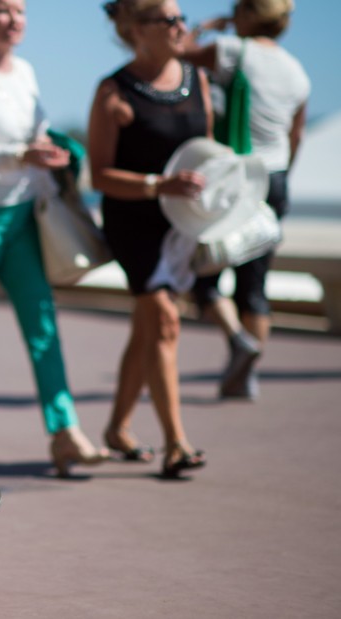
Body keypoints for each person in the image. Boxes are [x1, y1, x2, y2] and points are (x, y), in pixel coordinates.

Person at [0, 0, 108, 478]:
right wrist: (19, 154)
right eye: (3, 10)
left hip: (25, 211)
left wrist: (53, 151)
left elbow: (38, 131)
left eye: (21, 11)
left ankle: (65, 430)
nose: (14, 20)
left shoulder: (25, 72)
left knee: (41, 319)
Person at [89, 0, 210, 478]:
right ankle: (176, 443)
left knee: (149, 328)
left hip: (182, 222)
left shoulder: (196, 80)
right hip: (134, 223)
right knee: (163, 320)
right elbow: (99, 174)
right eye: (169, 19)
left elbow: (207, 153)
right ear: (137, 30)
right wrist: (158, 185)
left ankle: (118, 428)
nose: (182, 26)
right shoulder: (113, 91)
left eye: (182, 17)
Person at [181, 0, 310, 400]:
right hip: (274, 178)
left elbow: (176, 50)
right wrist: (281, 176)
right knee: (255, 283)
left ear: (250, 15)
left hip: (236, 176)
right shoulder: (297, 72)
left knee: (201, 271)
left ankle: (238, 340)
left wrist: (205, 27)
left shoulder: (233, 50)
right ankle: (245, 374)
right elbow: (296, 136)